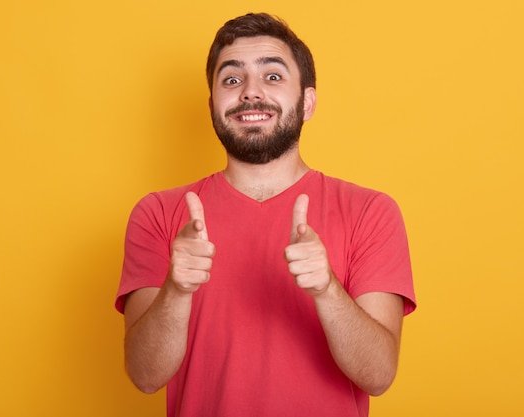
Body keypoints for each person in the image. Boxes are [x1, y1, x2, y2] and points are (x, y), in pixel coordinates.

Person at [115, 12, 416, 417]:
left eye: (272, 77)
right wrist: (176, 289)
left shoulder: (371, 212)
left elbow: (378, 375)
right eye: (232, 79)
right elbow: (145, 375)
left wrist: (327, 290)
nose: (250, 93)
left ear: (307, 102)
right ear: (212, 105)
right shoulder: (158, 214)